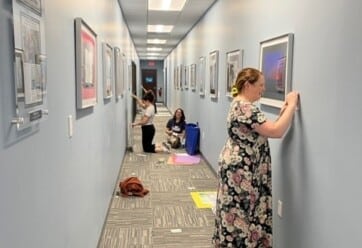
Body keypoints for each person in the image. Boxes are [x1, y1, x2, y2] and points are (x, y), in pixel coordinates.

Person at [212, 68, 299, 248]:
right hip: (243, 171)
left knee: (235, 212)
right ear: (247, 85)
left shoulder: (239, 103)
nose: (263, 89)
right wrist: (291, 104)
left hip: (237, 165)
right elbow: (276, 131)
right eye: (260, 85)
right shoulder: (246, 107)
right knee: (242, 215)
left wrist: (283, 113)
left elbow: (261, 129)